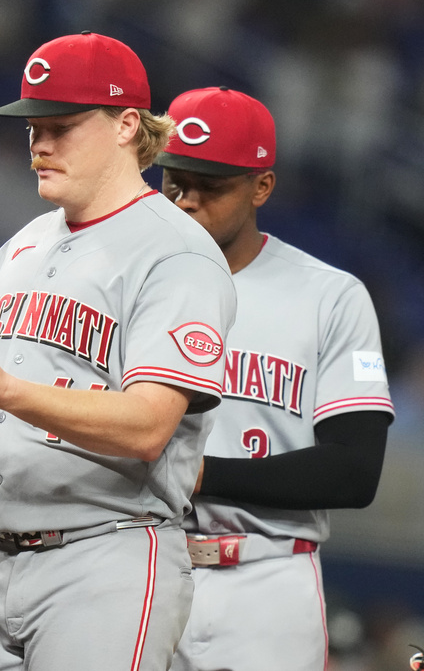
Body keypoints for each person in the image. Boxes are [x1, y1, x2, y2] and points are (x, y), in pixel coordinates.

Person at [0, 32, 237, 670]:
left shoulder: (176, 253)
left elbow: (149, 425)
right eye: (32, 126)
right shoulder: (17, 250)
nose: (39, 145)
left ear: (128, 124)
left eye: (62, 126)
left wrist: (1, 392)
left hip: (106, 559)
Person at [151, 86, 395, 671]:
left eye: (210, 185)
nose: (186, 200)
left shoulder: (329, 296)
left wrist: (193, 472)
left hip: (266, 579)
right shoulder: (128, 280)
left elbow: (352, 473)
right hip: (141, 564)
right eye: (175, 180)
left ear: (262, 185)